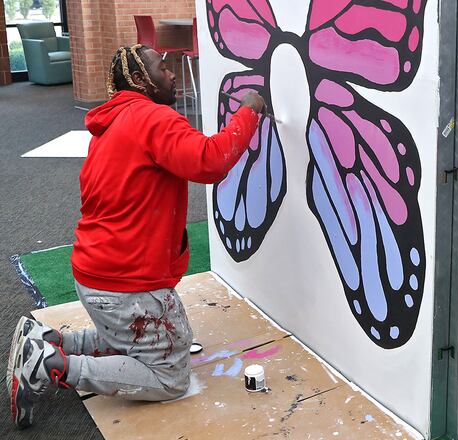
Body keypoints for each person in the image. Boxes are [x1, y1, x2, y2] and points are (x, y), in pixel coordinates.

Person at [7, 44, 265, 428]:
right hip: (124, 283)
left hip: (97, 273)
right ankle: (51, 363)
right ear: (142, 79)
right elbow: (211, 160)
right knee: (171, 378)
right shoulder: (152, 118)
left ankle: (49, 338)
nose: (173, 73)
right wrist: (250, 110)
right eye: (163, 67)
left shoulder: (115, 122)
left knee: (156, 344)